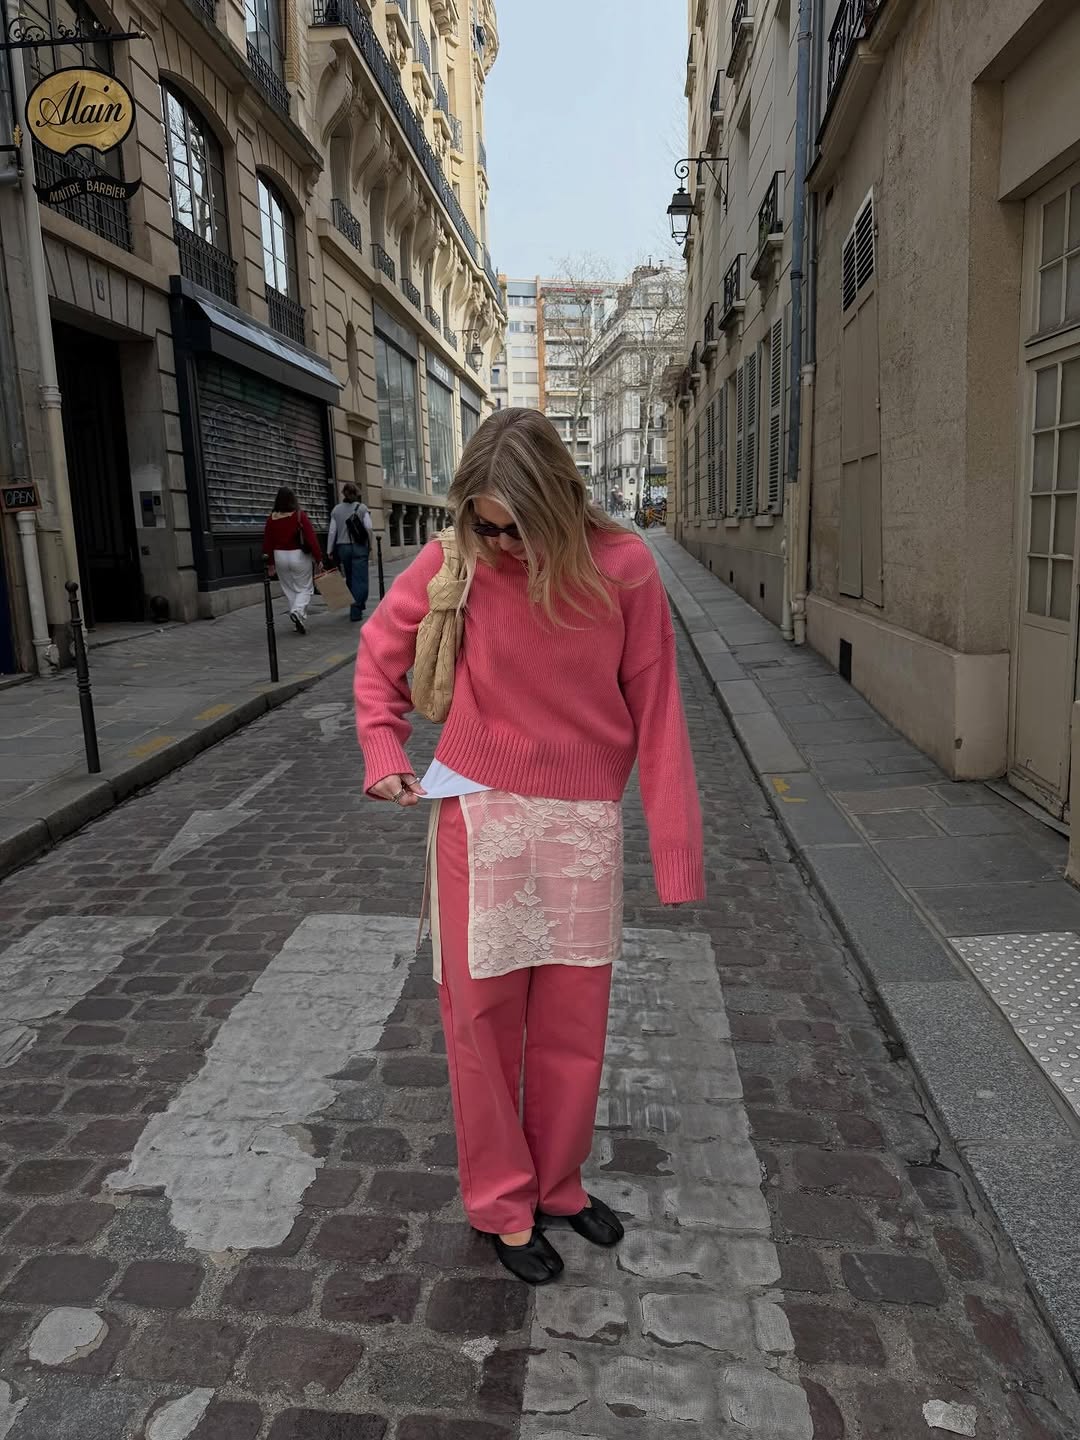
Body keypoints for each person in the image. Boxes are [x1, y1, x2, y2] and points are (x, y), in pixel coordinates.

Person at [354, 408, 704, 1286]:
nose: (499, 542)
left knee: (574, 1028)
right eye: (483, 522)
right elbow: (378, 653)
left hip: (583, 824)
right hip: (479, 815)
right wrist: (383, 750)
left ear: (557, 504)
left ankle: (559, 1183)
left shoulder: (624, 569)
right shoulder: (457, 557)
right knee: (480, 1026)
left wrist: (676, 847)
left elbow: (659, 711)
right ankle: (504, 1204)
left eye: (514, 526)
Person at [263, 487, 322, 634]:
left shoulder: (271, 519)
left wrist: (270, 563)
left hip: (279, 556)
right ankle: (297, 611)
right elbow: (311, 538)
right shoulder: (299, 516)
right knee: (305, 588)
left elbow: (267, 542)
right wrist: (319, 558)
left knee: (290, 590)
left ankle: (298, 620)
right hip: (299, 556)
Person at [327, 483, 373, 622]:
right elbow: (369, 527)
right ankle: (356, 609)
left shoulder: (336, 510)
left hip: (343, 548)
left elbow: (332, 531)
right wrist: (369, 545)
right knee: (360, 579)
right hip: (359, 547)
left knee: (350, 577)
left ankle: (356, 603)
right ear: (356, 494)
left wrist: (329, 550)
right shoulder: (362, 508)